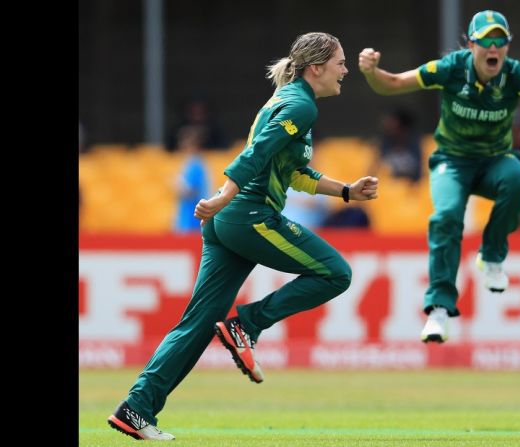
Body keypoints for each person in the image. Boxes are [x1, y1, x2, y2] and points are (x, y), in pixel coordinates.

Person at [108, 32, 379, 441]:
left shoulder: (287, 99)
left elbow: (291, 172)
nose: (345, 70)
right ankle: (246, 326)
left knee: (197, 323)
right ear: (316, 68)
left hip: (229, 221)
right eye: (340, 63)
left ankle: (136, 408)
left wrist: (345, 191)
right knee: (336, 273)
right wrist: (222, 197)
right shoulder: (300, 105)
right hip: (247, 216)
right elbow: (254, 155)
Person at [358, 10, 520, 343]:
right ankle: (439, 309)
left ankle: (492, 257)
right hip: (452, 162)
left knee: (518, 179)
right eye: (486, 41)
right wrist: (371, 72)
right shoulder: (451, 68)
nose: (494, 47)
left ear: (507, 46)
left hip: (495, 161)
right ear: (472, 44)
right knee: (446, 217)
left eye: (500, 41)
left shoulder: (515, 75)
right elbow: (393, 83)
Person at [173, 126, 211, 233]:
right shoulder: (196, 164)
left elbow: (189, 191)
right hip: (190, 216)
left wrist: (177, 184)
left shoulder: (195, 165)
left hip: (192, 219)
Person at [369, 109, 423, 183]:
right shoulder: (384, 143)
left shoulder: (415, 143)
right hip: (390, 187)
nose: (388, 125)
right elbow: (373, 170)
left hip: (409, 187)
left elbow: (420, 171)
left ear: (403, 126)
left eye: (392, 122)